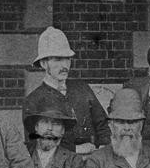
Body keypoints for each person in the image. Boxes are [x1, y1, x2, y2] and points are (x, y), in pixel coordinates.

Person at [23, 27, 110, 155]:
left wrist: (104, 148)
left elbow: (102, 124)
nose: (64, 66)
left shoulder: (82, 89)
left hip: (92, 162)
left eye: (67, 59)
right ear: (43, 63)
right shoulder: (33, 101)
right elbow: (34, 143)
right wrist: (75, 149)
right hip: (58, 166)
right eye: (57, 59)